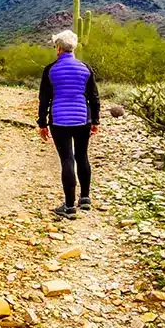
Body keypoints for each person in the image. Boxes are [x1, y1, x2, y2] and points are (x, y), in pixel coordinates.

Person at [37, 29, 100, 220]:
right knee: (82, 156)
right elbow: (94, 97)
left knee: (67, 159)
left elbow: (44, 99)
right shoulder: (85, 68)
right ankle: (86, 199)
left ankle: (70, 206)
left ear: (58, 48)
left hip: (59, 120)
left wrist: (42, 123)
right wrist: (95, 120)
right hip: (82, 119)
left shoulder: (50, 70)